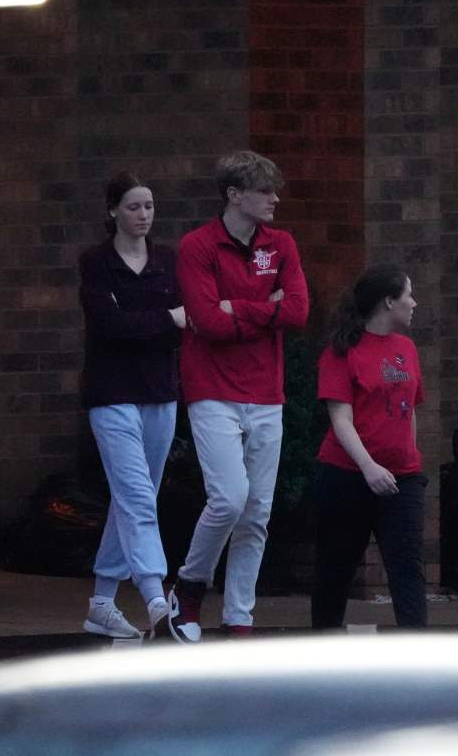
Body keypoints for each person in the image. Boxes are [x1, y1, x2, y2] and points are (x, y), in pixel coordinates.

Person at [166, 150, 309, 643]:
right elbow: (206, 321)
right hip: (212, 389)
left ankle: (239, 617)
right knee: (229, 498)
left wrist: (240, 310)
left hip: (267, 390)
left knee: (258, 511)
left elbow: (298, 310)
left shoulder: (282, 244)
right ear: (234, 195)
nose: (274, 199)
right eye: (264, 191)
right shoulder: (197, 246)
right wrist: (262, 310)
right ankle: (188, 586)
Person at [78, 172, 185, 639]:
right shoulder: (97, 263)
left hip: (160, 392)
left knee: (133, 498)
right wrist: (163, 320)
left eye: (149, 206)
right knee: (138, 497)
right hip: (111, 393)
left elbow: (186, 321)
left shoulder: (168, 261)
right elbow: (109, 326)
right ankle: (156, 599)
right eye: (133, 207)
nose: (143, 215)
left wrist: (149, 323)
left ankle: (102, 601)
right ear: (113, 211)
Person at [310, 264, 428, 630]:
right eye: (408, 295)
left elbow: (411, 407)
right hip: (346, 475)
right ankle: (322, 653)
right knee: (336, 570)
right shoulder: (341, 351)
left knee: (408, 568)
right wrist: (369, 467)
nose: (414, 302)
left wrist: (409, 456)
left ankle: (418, 653)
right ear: (388, 302)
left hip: (402, 478)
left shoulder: (406, 348)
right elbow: (340, 419)